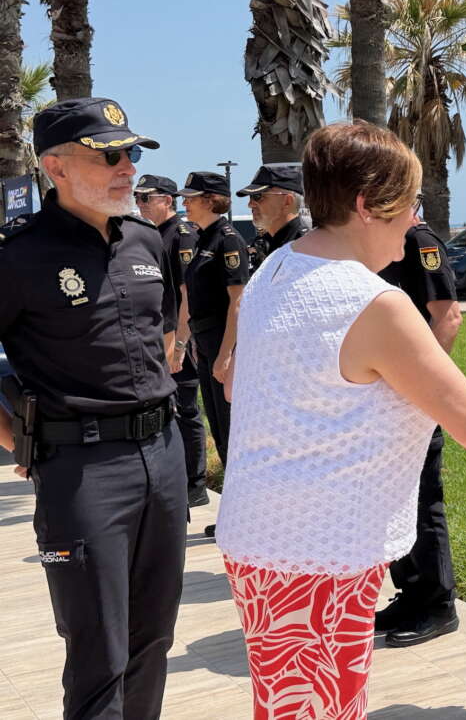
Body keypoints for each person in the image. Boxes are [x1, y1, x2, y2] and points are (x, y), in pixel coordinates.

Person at [214, 120, 466, 720]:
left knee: (289, 704)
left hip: (261, 540)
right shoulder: (373, 303)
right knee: (320, 709)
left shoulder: (275, 269)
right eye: (408, 204)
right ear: (365, 205)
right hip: (317, 553)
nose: (414, 219)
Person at [0, 98, 187, 718]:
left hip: (164, 458)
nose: (127, 169)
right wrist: (18, 440)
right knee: (97, 649)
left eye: (131, 154)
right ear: (55, 167)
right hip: (82, 470)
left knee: (153, 638)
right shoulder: (17, 256)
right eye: (108, 156)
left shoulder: (145, 241)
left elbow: (159, 336)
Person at [375, 219, 464, 646]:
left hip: (413, 394)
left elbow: (447, 317)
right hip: (385, 395)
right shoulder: (382, 239)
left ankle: (438, 604)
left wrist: (423, 386)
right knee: (394, 499)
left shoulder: (420, 241)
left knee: (424, 499)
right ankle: (410, 592)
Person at [178, 171, 249, 538]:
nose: (184, 202)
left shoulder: (228, 240)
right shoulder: (202, 238)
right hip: (205, 343)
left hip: (223, 341)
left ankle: (246, 517)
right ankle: (234, 515)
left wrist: (226, 354)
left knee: (234, 431)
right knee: (220, 431)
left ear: (210, 200)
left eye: (190, 197)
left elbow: (237, 302)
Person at [135, 174, 209, 507]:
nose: (139, 203)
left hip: (182, 338)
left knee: (186, 410)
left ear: (167, 200)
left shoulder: (182, 236)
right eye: (136, 197)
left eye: (145, 197)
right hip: (160, 335)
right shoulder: (151, 235)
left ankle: (195, 484)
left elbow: (187, 295)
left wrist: (179, 343)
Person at [234, 162, 310, 274]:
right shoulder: (268, 242)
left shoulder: (304, 246)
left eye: (258, 196)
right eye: (251, 197)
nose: (250, 204)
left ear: (287, 201)